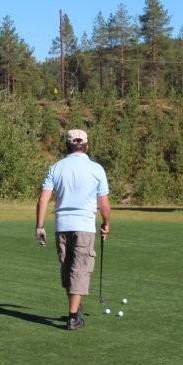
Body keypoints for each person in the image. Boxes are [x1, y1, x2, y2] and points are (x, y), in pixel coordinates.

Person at [35, 129, 111, 330]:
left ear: (67, 146)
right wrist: (106, 223)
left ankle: (76, 308)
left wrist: (40, 226)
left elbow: (43, 199)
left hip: (62, 225)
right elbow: (104, 203)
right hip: (84, 226)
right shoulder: (96, 169)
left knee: (69, 269)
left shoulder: (56, 167)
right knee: (80, 270)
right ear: (86, 146)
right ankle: (73, 317)